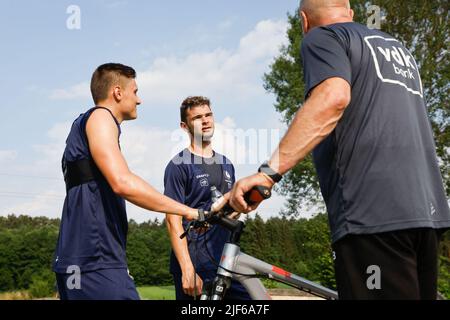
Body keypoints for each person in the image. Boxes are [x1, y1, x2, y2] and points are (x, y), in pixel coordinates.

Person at [227, 0, 450, 299]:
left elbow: (333, 97)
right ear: (351, 14)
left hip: (372, 217)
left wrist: (268, 174)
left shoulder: (323, 37)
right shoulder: (398, 49)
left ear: (304, 22)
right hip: (427, 213)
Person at [53, 63, 199, 300]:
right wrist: (188, 211)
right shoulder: (101, 116)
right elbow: (122, 181)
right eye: (135, 91)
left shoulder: (81, 126)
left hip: (76, 259)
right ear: (118, 92)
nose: (139, 100)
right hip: (96, 259)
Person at [164, 96, 250, 300]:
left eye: (208, 115)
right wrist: (187, 269)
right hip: (196, 264)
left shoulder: (226, 163)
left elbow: (231, 211)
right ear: (184, 126)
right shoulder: (178, 165)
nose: (205, 121)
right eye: (197, 118)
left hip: (227, 260)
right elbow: (172, 220)